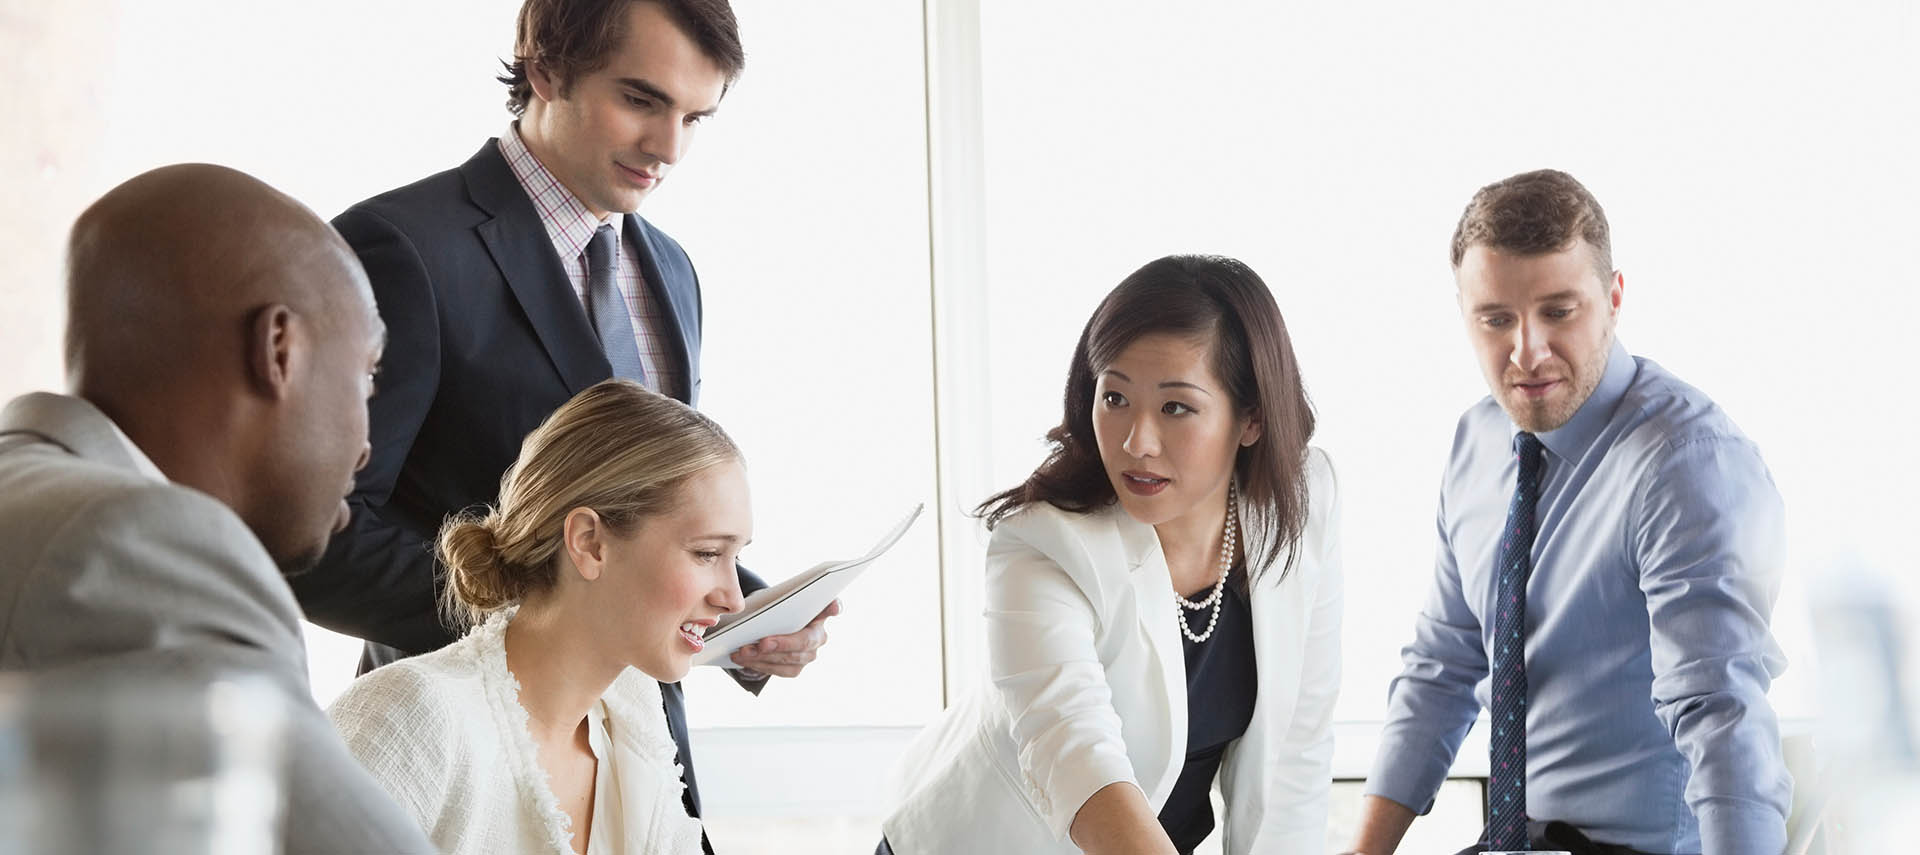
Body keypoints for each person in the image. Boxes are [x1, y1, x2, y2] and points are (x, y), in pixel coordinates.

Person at [288, 0, 834, 835]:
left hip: (640, 758)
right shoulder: (399, 248)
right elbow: (315, 541)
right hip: (473, 760)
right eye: (642, 101)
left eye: (696, 116)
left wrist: (735, 615)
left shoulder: (672, 272)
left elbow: (639, 509)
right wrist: (546, 620)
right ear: (544, 68)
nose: (670, 147)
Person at [1345, 169, 1792, 855]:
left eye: (1558, 311)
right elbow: (1441, 665)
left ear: (1613, 298)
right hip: (1512, 841)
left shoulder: (1684, 461)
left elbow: (1721, 712)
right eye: (1496, 318)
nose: (1526, 351)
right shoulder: (1477, 441)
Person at [0, 164, 433, 854]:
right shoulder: (142, 541)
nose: (365, 448)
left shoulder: (29, 490)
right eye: (367, 376)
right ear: (278, 349)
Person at [882, 255, 1343, 855]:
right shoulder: (1042, 541)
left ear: (1251, 417)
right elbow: (1077, 760)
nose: (1136, 442)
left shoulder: (1303, 500)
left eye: (1176, 407)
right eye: (1115, 397)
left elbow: (1298, 747)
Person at [329, 380, 747, 855]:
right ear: (590, 543)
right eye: (707, 553)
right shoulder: (411, 718)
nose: (734, 598)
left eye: (736, 556)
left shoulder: (631, 720)